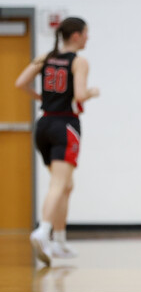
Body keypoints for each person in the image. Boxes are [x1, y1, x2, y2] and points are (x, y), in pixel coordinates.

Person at [15, 17, 100, 266]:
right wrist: (92, 92)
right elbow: (80, 95)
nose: (88, 38)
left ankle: (60, 241)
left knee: (66, 185)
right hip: (65, 125)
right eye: (86, 33)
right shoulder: (79, 61)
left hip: (43, 124)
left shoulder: (45, 57)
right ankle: (43, 231)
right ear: (76, 36)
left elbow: (20, 83)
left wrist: (41, 97)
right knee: (59, 183)